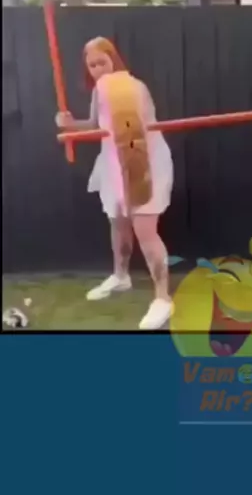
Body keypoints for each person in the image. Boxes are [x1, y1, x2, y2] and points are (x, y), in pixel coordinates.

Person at [55, 37, 174, 331]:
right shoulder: (100, 90)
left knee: (145, 230)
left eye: (102, 62)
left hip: (143, 160)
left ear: (114, 60)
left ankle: (163, 298)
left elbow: (134, 127)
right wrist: (70, 124)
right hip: (113, 163)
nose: (98, 69)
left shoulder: (134, 87)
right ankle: (121, 276)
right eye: (92, 65)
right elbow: (96, 125)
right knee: (118, 223)